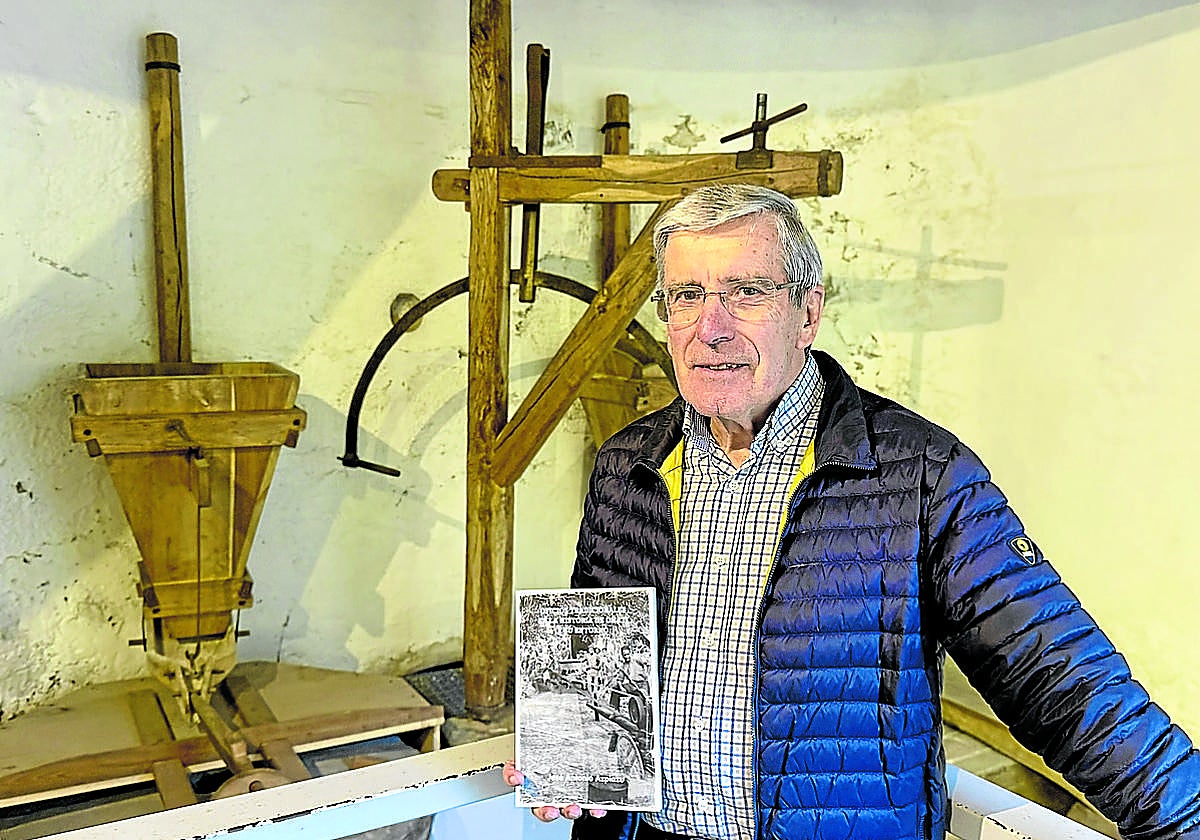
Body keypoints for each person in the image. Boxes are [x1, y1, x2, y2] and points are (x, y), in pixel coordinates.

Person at [505, 184, 1200, 839]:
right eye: (686, 295)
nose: (709, 327)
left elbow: (1058, 676)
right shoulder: (629, 466)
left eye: (746, 293)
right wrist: (571, 748)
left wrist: (1185, 817)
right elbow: (597, 672)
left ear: (808, 312)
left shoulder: (920, 474)